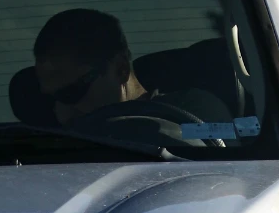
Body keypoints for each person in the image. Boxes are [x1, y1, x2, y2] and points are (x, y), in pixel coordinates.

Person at [31, 8, 214, 141]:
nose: (61, 112)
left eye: (71, 93)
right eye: (50, 100)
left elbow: (218, 148)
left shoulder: (193, 111)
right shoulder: (38, 149)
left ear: (121, 69)